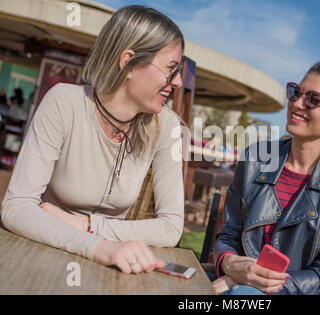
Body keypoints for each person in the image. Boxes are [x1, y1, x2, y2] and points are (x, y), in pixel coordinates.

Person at [1, 5, 185, 274]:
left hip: (113, 266)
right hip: (42, 253)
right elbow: (17, 207)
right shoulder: (65, 102)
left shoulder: (166, 126)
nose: (178, 81)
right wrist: (99, 246)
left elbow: (171, 229)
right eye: (171, 68)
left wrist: (88, 226)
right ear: (129, 62)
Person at [211, 60, 320, 295]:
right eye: (296, 92)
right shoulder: (256, 157)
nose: (297, 103)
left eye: (314, 99)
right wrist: (228, 263)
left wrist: (250, 284)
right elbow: (229, 235)